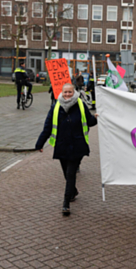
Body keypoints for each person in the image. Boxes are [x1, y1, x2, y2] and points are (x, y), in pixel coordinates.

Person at [36, 83, 98, 216]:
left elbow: (89, 122)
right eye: (65, 92)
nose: (68, 95)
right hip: (62, 145)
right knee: (66, 173)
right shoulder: (56, 107)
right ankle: (73, 191)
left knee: (70, 174)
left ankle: (66, 203)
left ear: (74, 92)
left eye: (70, 92)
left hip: (77, 145)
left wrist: (95, 118)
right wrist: (40, 143)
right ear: (61, 93)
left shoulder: (81, 105)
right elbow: (48, 127)